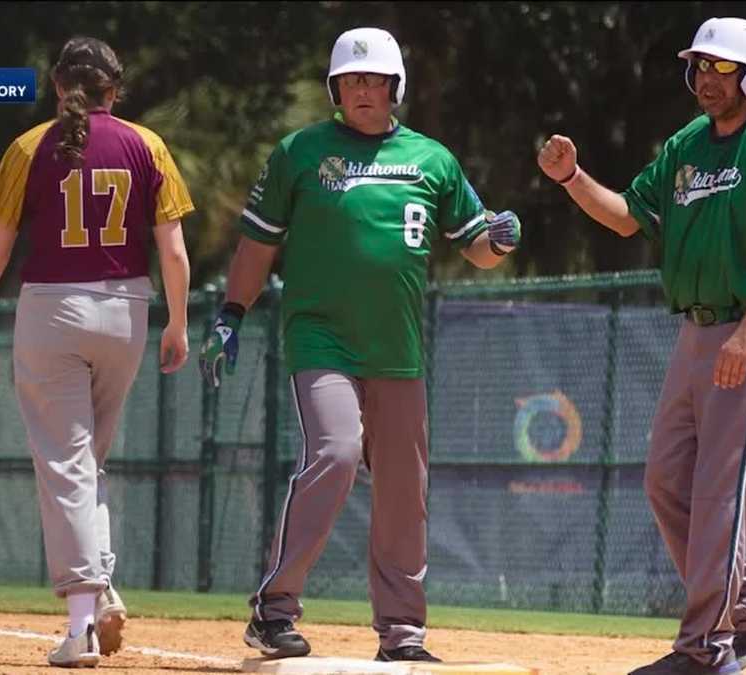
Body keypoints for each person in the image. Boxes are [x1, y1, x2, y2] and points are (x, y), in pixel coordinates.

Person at [198, 27, 521, 663]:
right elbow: (258, 244)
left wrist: (501, 241)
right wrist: (231, 315)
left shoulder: (433, 159)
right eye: (351, 80)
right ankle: (275, 609)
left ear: (395, 87)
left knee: (404, 486)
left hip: (397, 349)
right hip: (321, 338)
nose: (363, 90)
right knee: (337, 452)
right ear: (335, 89)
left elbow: (476, 247)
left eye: (375, 80)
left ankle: (402, 632)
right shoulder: (300, 152)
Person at [538, 16, 746, 675]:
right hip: (694, 329)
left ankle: (705, 648)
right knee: (665, 480)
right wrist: (574, 177)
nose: (706, 78)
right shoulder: (688, 143)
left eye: (721, 67)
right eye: (700, 66)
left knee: (720, 491)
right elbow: (630, 214)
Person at [0, 37, 194, 667]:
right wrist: (178, 324)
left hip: (52, 311)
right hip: (126, 312)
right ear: (117, 87)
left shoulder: (30, 147)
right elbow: (174, 252)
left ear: (59, 86)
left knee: (66, 467)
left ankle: (81, 625)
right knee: (86, 464)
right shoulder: (148, 145)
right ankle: (103, 587)